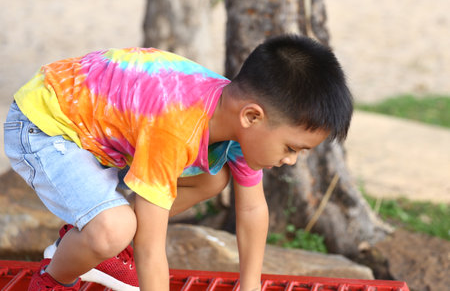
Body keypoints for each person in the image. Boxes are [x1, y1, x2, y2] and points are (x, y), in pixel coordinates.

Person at [3, 34, 353, 291]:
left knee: (212, 180)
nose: (290, 161)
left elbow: (251, 211)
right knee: (115, 228)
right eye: (291, 147)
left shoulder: (237, 116)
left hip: (97, 136)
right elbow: (152, 249)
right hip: (45, 125)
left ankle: (94, 240)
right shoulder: (174, 125)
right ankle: (52, 279)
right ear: (252, 116)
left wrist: (250, 287)